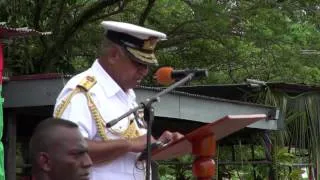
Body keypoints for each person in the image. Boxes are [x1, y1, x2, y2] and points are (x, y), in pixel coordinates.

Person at [53, 21, 183, 180]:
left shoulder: (128, 95)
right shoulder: (83, 92)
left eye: (147, 65)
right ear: (114, 55)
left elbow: (132, 154)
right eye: (139, 63)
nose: (145, 71)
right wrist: (131, 144)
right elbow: (68, 150)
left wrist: (158, 145)